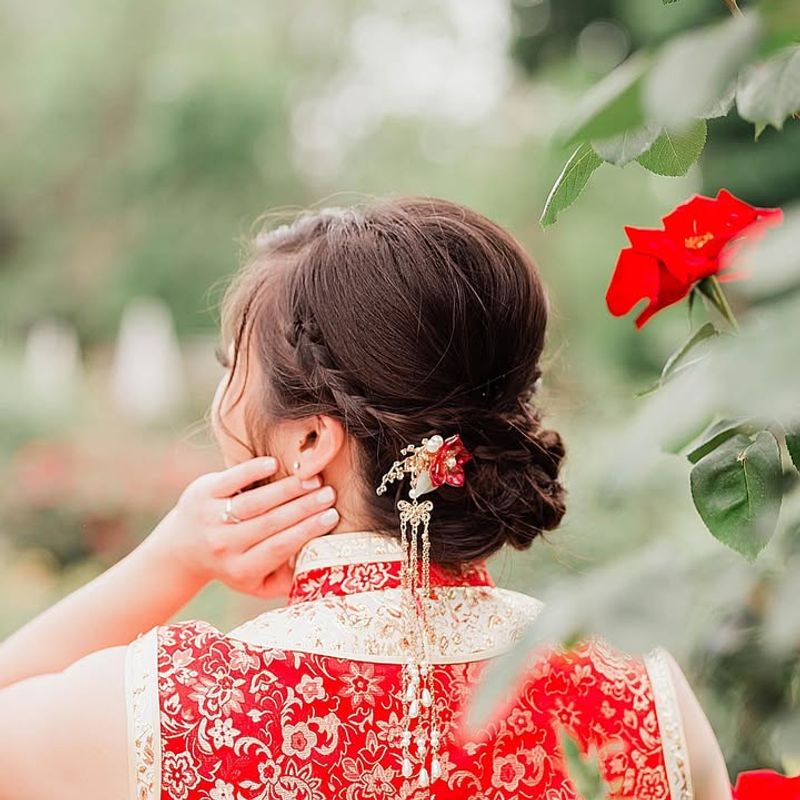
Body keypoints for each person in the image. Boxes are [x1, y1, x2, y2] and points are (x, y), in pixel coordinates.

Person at [0, 197, 731, 800]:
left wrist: (169, 562)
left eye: (232, 371)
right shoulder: (640, 692)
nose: (218, 405)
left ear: (312, 440)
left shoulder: (176, 711)